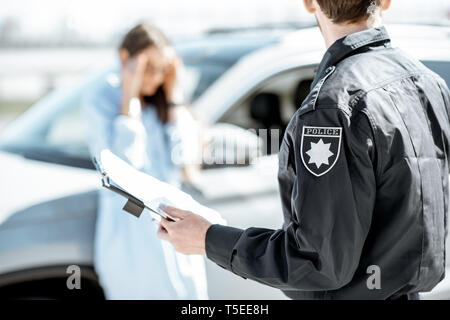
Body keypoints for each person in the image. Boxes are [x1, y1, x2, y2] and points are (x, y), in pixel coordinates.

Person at [157, 0, 450, 300]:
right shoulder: (430, 84)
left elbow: (316, 263)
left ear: (310, 3)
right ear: (386, 2)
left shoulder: (332, 106)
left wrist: (207, 238)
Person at [84, 23, 207, 299]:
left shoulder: (164, 100)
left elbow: (185, 157)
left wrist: (174, 95)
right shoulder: (101, 99)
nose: (155, 78)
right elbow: (121, 169)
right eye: (148, 68)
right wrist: (129, 99)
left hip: (174, 225)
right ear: (125, 59)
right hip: (129, 226)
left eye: (162, 69)